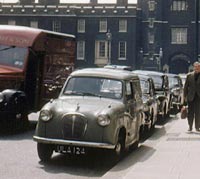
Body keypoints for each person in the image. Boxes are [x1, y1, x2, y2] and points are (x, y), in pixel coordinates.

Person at [184, 61, 200, 132]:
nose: (196, 68)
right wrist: (184, 96)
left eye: (198, 67)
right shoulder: (189, 75)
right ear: (193, 67)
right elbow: (185, 87)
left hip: (199, 97)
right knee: (190, 112)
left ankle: (197, 127)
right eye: (195, 67)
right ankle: (190, 126)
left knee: (198, 112)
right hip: (190, 97)